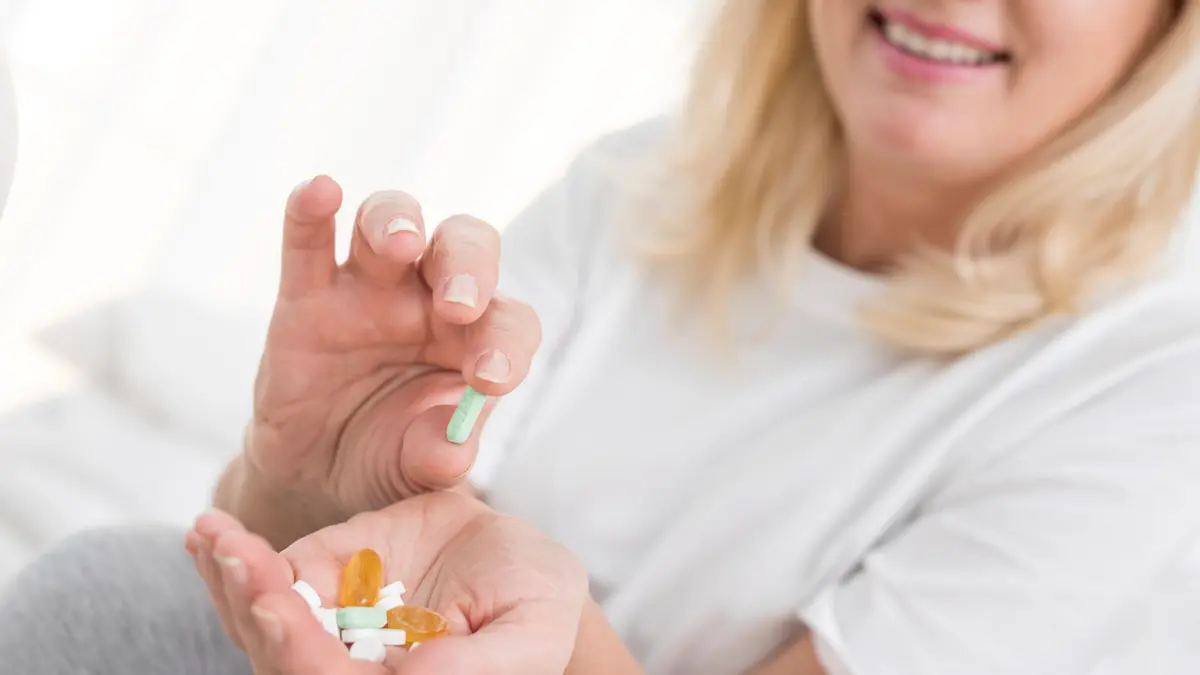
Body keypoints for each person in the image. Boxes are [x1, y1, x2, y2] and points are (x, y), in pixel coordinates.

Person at [3, 1, 1200, 673]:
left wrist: (549, 620)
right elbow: (340, 591)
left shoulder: (1154, 384)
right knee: (122, 598)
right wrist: (299, 479)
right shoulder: (641, 187)